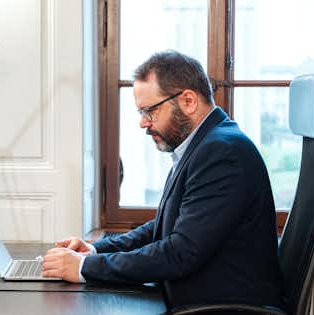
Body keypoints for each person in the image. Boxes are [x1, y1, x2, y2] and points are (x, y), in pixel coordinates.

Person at [42, 50, 282, 310]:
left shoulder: (223, 153)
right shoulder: (203, 144)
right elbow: (165, 227)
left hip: (221, 307)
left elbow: (180, 252)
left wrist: (85, 267)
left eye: (149, 111)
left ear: (188, 101)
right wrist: (96, 250)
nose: (143, 123)